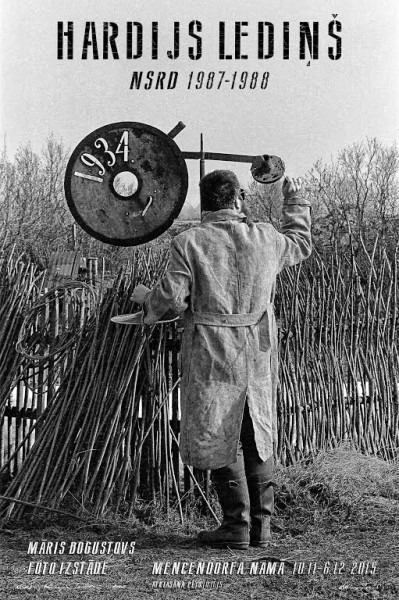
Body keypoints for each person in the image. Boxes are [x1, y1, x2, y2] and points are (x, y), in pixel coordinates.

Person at [131, 170, 312, 549]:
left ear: (205, 200)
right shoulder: (265, 237)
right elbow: (300, 241)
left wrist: (146, 302)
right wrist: (295, 200)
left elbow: (170, 298)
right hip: (257, 349)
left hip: (211, 349)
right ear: (239, 198)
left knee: (217, 430)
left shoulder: (189, 242)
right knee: (257, 431)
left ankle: (236, 526)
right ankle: (261, 528)